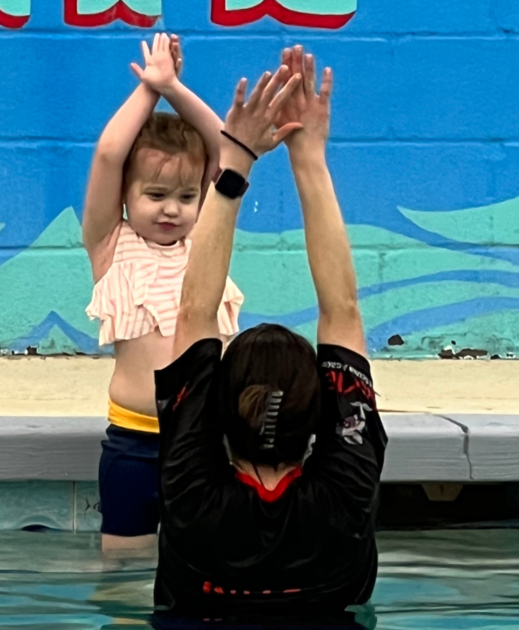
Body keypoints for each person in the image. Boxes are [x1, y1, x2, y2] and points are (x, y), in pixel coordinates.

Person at [152, 46, 388, 620]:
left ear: (214, 414)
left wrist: (234, 165)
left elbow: (192, 313)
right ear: (324, 418)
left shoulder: (192, 493)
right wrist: (309, 159)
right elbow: (345, 311)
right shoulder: (344, 494)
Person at [82, 33, 244, 552]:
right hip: (133, 442)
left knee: (204, 563)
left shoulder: (204, 245)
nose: (171, 209)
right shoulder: (111, 244)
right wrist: (149, 91)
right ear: (127, 198)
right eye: (154, 195)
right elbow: (109, 155)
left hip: (205, 443)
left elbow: (228, 152)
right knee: (123, 567)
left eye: (186, 196)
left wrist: (175, 86)